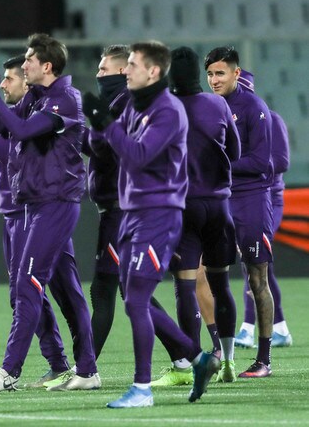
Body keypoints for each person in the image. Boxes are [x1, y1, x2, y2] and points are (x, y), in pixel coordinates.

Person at [83, 41, 219, 408]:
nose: (125, 70)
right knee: (133, 297)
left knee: (137, 301)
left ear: (153, 71)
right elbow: (105, 147)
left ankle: (142, 388)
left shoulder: (168, 110)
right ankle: (196, 356)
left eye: (132, 64)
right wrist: (99, 125)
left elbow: (138, 155)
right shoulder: (136, 105)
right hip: (131, 214)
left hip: (158, 214)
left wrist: (106, 124)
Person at [0, 33, 100, 392]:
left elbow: (19, 132)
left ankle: (10, 371)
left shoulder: (65, 100)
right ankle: (86, 370)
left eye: (28, 60)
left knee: (28, 284)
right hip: (36, 205)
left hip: (54, 204)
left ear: (46, 66)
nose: (23, 65)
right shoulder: (38, 98)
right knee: (63, 292)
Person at [0, 56, 72, 387]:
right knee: (32, 292)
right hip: (12, 214)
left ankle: (21, 368)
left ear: (27, 82)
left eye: (10, 79)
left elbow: (10, 155)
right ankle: (60, 362)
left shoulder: (32, 116)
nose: (4, 84)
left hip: (31, 211)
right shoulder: (10, 116)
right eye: (2, 79)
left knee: (28, 292)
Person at [160, 46, 241, 385]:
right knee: (221, 285)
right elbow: (235, 151)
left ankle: (192, 362)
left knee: (185, 286)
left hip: (185, 207)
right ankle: (229, 362)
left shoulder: (166, 108)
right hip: (219, 207)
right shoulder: (218, 104)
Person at [83, 45, 169, 362]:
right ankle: (185, 356)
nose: (97, 74)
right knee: (119, 289)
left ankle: (86, 366)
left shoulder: (126, 102)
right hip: (116, 207)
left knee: (118, 289)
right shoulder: (118, 101)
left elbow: (111, 149)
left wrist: (90, 127)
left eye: (103, 69)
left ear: (122, 71)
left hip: (123, 208)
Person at [205, 46, 275, 378]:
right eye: (209, 74)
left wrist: (220, 167)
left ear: (236, 73)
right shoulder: (208, 107)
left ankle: (263, 360)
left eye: (220, 73)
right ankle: (221, 349)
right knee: (204, 274)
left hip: (249, 199)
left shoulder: (253, 107)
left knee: (256, 278)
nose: (213, 80)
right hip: (218, 200)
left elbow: (263, 162)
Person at [233, 70, 293, 349]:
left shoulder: (270, 118)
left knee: (254, 265)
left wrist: (250, 156)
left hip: (269, 197)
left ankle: (247, 328)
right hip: (243, 196)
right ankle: (279, 327)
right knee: (257, 267)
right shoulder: (231, 120)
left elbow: (279, 161)